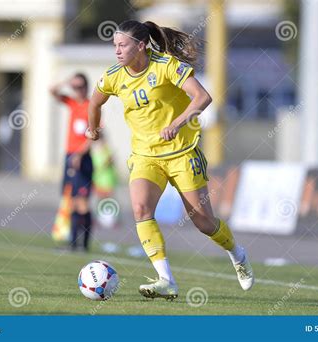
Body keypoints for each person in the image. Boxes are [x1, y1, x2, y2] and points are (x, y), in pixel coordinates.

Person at [86, 20, 254, 300]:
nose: (116, 51)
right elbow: (94, 102)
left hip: (182, 152)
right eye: (114, 45)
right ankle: (166, 280)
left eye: (122, 45)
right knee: (140, 209)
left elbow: (202, 97)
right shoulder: (113, 76)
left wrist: (177, 122)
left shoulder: (165, 66)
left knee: (203, 222)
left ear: (140, 45)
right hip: (144, 155)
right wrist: (93, 128)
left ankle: (238, 254)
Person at [51, 73, 93, 251]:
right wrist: (67, 81)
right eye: (74, 87)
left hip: (82, 158)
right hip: (69, 155)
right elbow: (52, 90)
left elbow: (94, 135)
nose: (77, 90)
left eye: (80, 86)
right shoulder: (73, 103)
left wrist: (80, 154)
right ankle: (74, 243)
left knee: (82, 202)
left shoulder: (92, 106)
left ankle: (83, 244)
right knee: (72, 199)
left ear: (86, 86)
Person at [91, 134, 119, 229]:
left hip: (107, 179)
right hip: (98, 179)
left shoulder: (107, 150)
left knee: (109, 199)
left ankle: (113, 219)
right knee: (99, 200)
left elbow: (112, 160)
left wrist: (107, 162)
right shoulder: (93, 151)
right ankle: (99, 218)